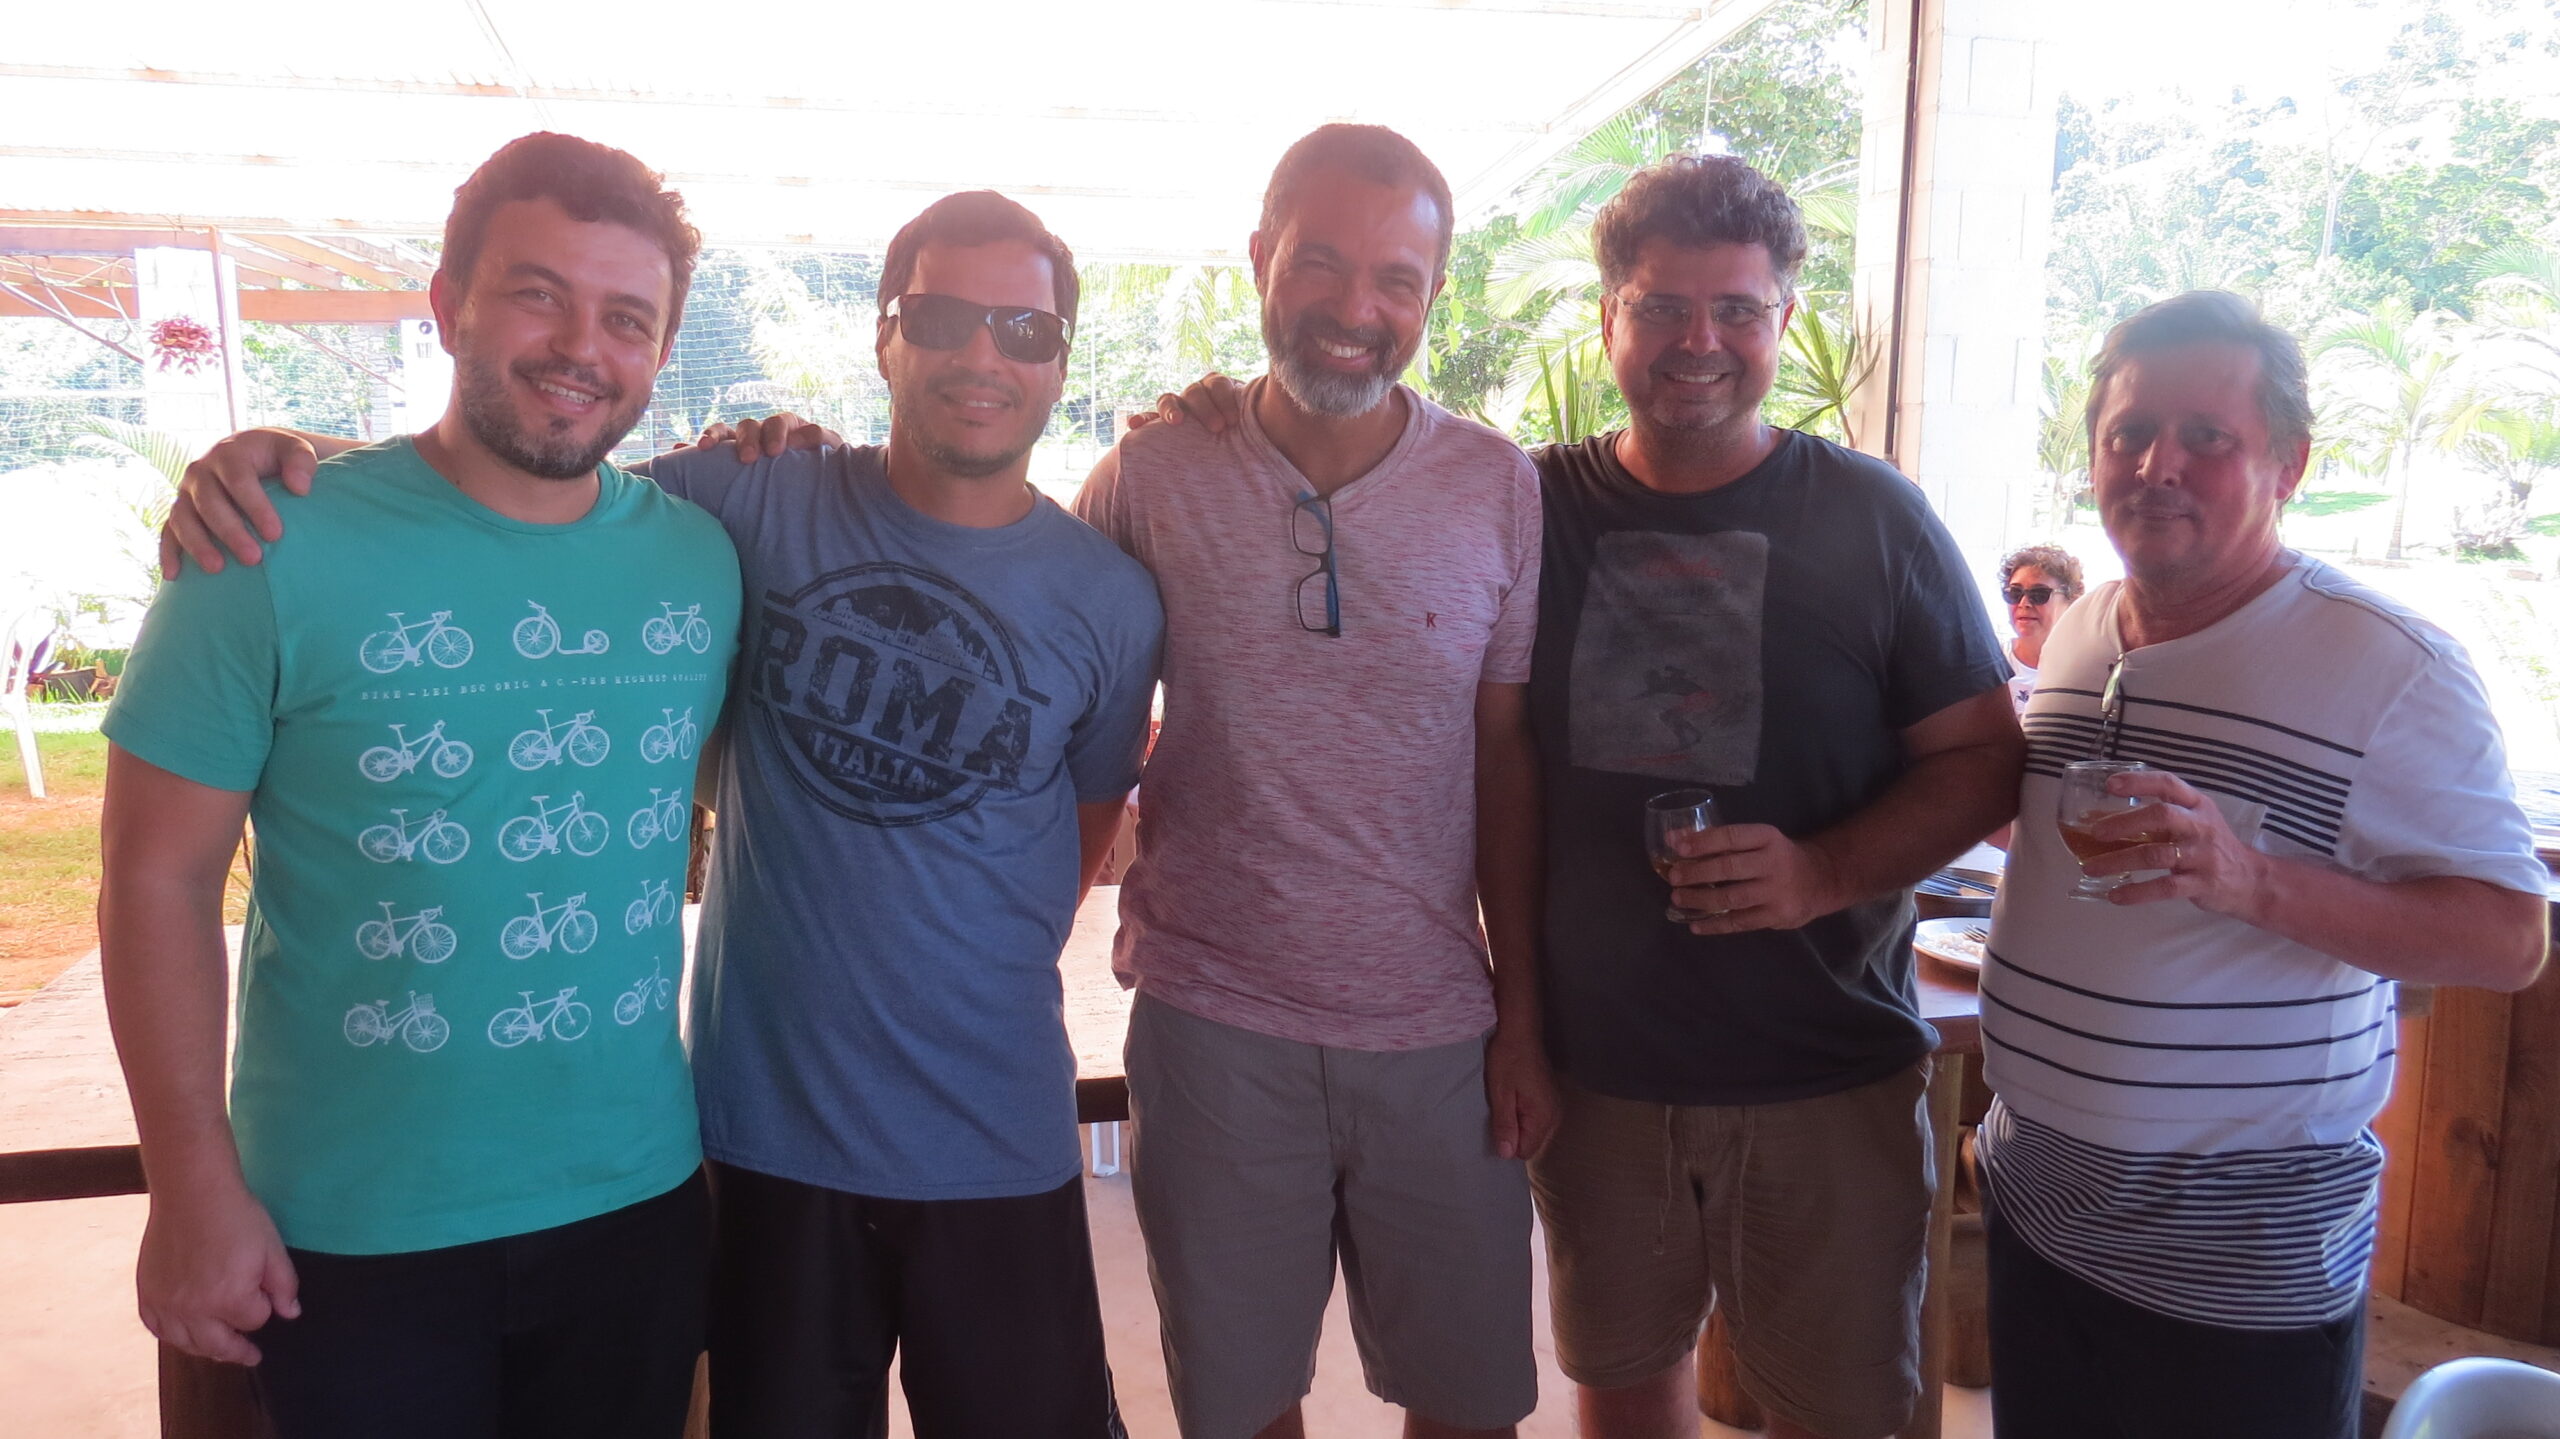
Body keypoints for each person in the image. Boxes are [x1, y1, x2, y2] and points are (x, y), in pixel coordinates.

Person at [158, 190, 1164, 1438]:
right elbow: (521, 474)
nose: (983, 354)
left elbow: (1070, 845)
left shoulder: (1109, 600)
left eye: (1025, 329)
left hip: (987, 1132)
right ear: (883, 334)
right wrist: (280, 457)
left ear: (1062, 355)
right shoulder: (751, 498)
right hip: (764, 1140)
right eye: (943, 316)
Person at [99, 133, 741, 1439]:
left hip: (634, 1198)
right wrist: (189, 1183)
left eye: (627, 317)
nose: (581, 346)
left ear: (663, 348)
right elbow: (153, 880)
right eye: (537, 295)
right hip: (349, 1224)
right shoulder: (262, 547)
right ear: (448, 305)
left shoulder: (704, 561)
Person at [1978, 290, 2550, 1439]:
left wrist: (2248, 878)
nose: (2158, 463)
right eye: (2129, 432)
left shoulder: (2390, 663)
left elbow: (2506, 937)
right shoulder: (2081, 631)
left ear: (2288, 464)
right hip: (2038, 1200)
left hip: (2239, 1249)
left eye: (2206, 435)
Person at [1527, 155, 2020, 1439]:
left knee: (1839, 1407)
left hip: (1824, 1067)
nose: (1699, 341)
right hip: (1597, 1073)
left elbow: (1983, 758)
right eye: (1660, 306)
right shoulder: (1527, 505)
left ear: (1783, 319)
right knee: (1623, 1383)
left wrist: (1821, 872)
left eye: (1736, 309)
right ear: (1608, 318)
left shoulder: (1874, 517)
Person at [1076, 124, 1552, 1439]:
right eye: (1321, 263)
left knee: (1471, 1400)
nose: (1356, 308)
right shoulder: (1151, 474)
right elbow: (1066, 711)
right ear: (1259, 260)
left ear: (1433, 294)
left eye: (1397, 278)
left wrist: (1523, 1016)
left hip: (1437, 1025)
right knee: (1239, 1404)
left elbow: (1506, 758)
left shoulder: (1495, 486)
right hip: (1213, 1022)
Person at [1996, 544, 2082, 713]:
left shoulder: (2085, 670)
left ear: (2070, 601)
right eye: (2015, 593)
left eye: (2039, 594)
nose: (2024, 603)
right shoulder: (1990, 666)